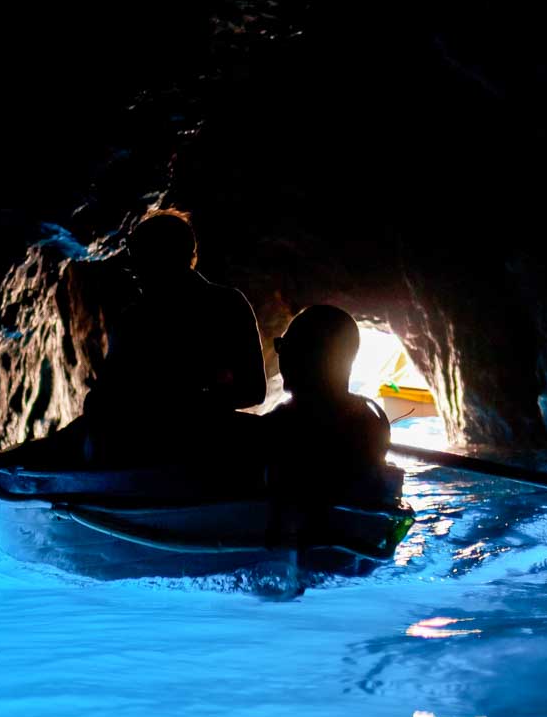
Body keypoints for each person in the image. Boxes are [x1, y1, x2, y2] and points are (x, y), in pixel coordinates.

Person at [83, 209, 267, 463]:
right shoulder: (229, 304)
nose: (133, 271)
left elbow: (254, 390)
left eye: (139, 259)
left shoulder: (135, 320)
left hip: (164, 444)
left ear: (166, 257)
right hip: (204, 441)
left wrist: (178, 405)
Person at [264, 305, 391, 543]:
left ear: (310, 356)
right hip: (353, 552)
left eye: (285, 347)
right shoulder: (373, 421)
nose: (282, 356)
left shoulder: (281, 427)